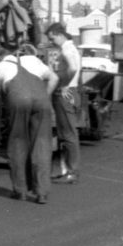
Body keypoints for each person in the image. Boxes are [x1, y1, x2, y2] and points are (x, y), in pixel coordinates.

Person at [0, 43, 59, 204]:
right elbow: (54, 78)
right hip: (41, 102)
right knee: (41, 145)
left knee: (18, 144)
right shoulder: (33, 60)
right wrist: (43, 96)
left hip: (18, 102)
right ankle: (41, 193)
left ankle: (20, 191)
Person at [46, 22, 81, 183]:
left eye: (52, 38)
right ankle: (65, 169)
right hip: (69, 92)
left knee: (68, 134)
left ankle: (72, 172)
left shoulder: (67, 49)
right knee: (65, 133)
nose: (51, 42)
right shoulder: (68, 48)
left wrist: (64, 83)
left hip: (65, 93)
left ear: (58, 34)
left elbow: (73, 68)